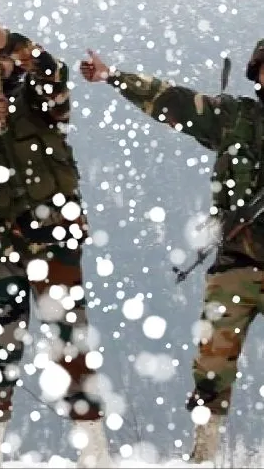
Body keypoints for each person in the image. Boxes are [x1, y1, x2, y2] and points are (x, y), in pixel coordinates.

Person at [80, 42, 264, 464]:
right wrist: (114, 77)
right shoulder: (234, 118)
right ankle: (204, 453)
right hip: (235, 264)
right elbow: (171, 101)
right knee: (211, 370)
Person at [0, 22, 111, 469]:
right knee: (0, 346)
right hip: (1, 247)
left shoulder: (42, 104)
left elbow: (55, 75)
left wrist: (15, 44)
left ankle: (94, 451)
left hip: (54, 240)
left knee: (69, 343)